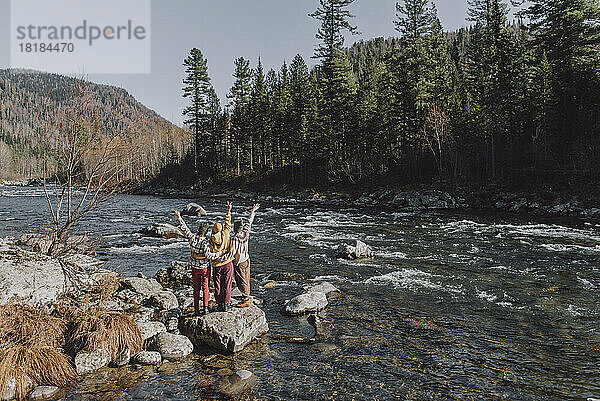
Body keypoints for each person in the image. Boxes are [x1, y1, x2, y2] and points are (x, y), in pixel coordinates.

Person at [174, 209, 224, 316]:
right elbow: (209, 256)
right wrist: (220, 253)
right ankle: (205, 308)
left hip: (194, 267)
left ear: (198, 231)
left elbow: (185, 229)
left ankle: (196, 309)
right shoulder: (206, 242)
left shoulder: (192, 238)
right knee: (205, 287)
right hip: (204, 268)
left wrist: (179, 217)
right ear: (205, 233)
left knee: (196, 288)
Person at [230, 203, 260, 308]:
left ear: (235, 229)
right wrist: (253, 210)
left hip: (239, 262)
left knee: (241, 280)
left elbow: (232, 252)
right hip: (247, 259)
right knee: (247, 278)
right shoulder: (245, 233)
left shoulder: (235, 238)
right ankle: (247, 296)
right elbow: (249, 222)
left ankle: (245, 298)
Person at [209, 201, 235, 312]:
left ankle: (219, 303)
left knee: (217, 285)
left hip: (216, 265)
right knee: (227, 284)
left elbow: (210, 253)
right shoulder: (226, 234)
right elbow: (228, 223)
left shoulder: (211, 239)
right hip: (227, 263)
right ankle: (226, 304)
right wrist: (228, 210)